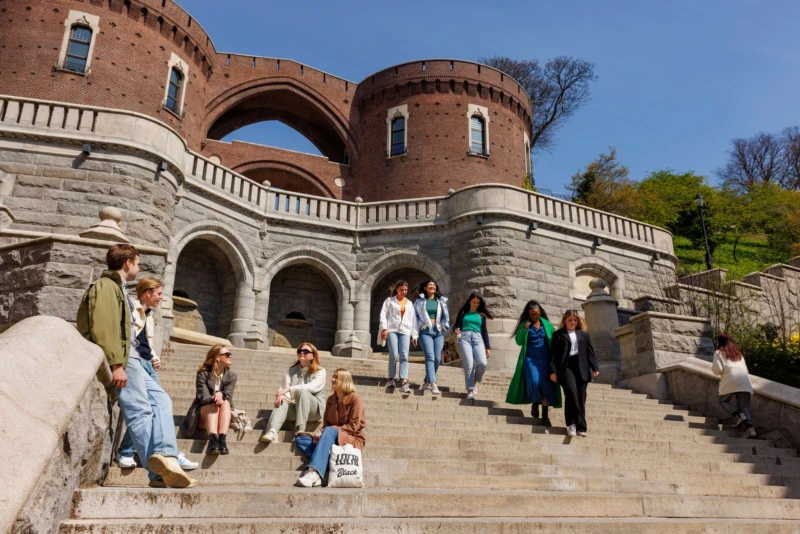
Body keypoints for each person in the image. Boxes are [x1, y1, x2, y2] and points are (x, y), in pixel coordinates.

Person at [77, 244, 196, 488]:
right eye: (138, 263)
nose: (139, 268)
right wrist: (116, 364)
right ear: (128, 262)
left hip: (135, 359)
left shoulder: (119, 288)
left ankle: (167, 456)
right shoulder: (106, 287)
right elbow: (105, 326)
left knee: (162, 401)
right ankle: (158, 474)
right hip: (124, 358)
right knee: (140, 410)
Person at [116, 277, 198, 471]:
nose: (161, 298)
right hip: (134, 362)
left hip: (147, 363)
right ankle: (128, 452)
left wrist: (154, 356)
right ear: (147, 293)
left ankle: (167, 452)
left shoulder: (150, 315)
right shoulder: (132, 308)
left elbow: (146, 342)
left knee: (157, 407)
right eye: (159, 294)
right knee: (144, 409)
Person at [294, 368, 366, 487]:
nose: (332, 379)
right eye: (333, 376)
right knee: (300, 438)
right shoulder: (330, 400)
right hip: (331, 437)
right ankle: (326, 461)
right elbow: (326, 423)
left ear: (344, 380)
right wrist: (323, 431)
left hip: (352, 438)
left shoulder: (355, 399)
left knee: (328, 431)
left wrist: (326, 431)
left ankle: (315, 472)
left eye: (336, 377)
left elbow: (353, 426)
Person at [506, 300, 562, 426]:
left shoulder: (547, 325)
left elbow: (555, 341)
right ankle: (535, 402)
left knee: (546, 385)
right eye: (532, 314)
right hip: (530, 359)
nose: (534, 316)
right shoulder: (525, 325)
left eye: (536, 314)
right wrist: (524, 330)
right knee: (535, 381)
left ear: (540, 312)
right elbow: (519, 341)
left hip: (546, 360)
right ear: (528, 314)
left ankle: (545, 417)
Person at [260, 343, 326, 443]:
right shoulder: (291, 370)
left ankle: (300, 432)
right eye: (300, 351)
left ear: (313, 355)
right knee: (282, 400)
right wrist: (281, 396)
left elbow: (313, 387)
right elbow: (283, 388)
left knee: (303, 391)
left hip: (314, 411)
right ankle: (273, 431)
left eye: (306, 351)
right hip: (297, 409)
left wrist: (290, 389)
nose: (302, 352)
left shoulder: (320, 371)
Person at [180, 344, 238, 454]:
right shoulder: (203, 374)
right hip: (203, 413)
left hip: (222, 413)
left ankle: (222, 440)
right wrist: (216, 397)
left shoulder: (232, 376)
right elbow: (202, 396)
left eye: (230, 354)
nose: (230, 356)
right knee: (213, 405)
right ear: (217, 357)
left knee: (226, 402)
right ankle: (213, 440)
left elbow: (228, 394)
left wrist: (221, 395)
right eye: (227, 354)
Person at [549, 310, 599, 437]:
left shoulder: (584, 335)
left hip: (581, 366)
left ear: (578, 321)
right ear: (565, 321)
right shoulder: (558, 335)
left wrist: (595, 367)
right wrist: (553, 371)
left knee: (581, 397)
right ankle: (571, 424)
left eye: (575, 320)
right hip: (565, 367)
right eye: (570, 320)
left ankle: (580, 427)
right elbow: (553, 355)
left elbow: (590, 353)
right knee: (571, 393)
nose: (572, 322)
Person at [712, 333, 757, 438]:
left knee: (723, 401)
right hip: (744, 381)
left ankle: (738, 415)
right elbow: (746, 369)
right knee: (744, 407)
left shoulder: (719, 353)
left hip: (730, 380)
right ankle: (751, 430)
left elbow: (717, 370)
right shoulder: (738, 354)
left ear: (719, 342)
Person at [378, 279, 419, 393]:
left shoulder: (409, 303)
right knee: (394, 354)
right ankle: (391, 378)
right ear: (397, 289)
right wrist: (384, 328)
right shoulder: (389, 301)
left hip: (405, 331)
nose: (404, 292)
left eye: (406, 290)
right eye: (402, 290)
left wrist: (414, 335)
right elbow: (383, 315)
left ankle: (404, 381)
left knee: (404, 355)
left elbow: (413, 320)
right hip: (392, 330)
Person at [412, 280, 450, 395]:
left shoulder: (441, 302)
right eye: (430, 285)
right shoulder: (419, 302)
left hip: (438, 331)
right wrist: (414, 334)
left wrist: (444, 326)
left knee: (438, 359)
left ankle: (426, 382)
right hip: (425, 331)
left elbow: (446, 316)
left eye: (434, 285)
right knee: (430, 356)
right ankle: (433, 383)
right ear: (425, 288)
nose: (432, 286)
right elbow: (414, 318)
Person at [453, 292, 493, 400]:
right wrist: (456, 331)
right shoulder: (463, 312)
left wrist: (488, 347)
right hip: (463, 337)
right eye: (474, 302)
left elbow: (484, 331)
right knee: (469, 364)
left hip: (478, 338)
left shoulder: (482, 315)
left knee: (482, 363)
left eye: (477, 303)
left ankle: (475, 380)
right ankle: (469, 390)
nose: (475, 304)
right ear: (469, 301)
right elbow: (456, 326)